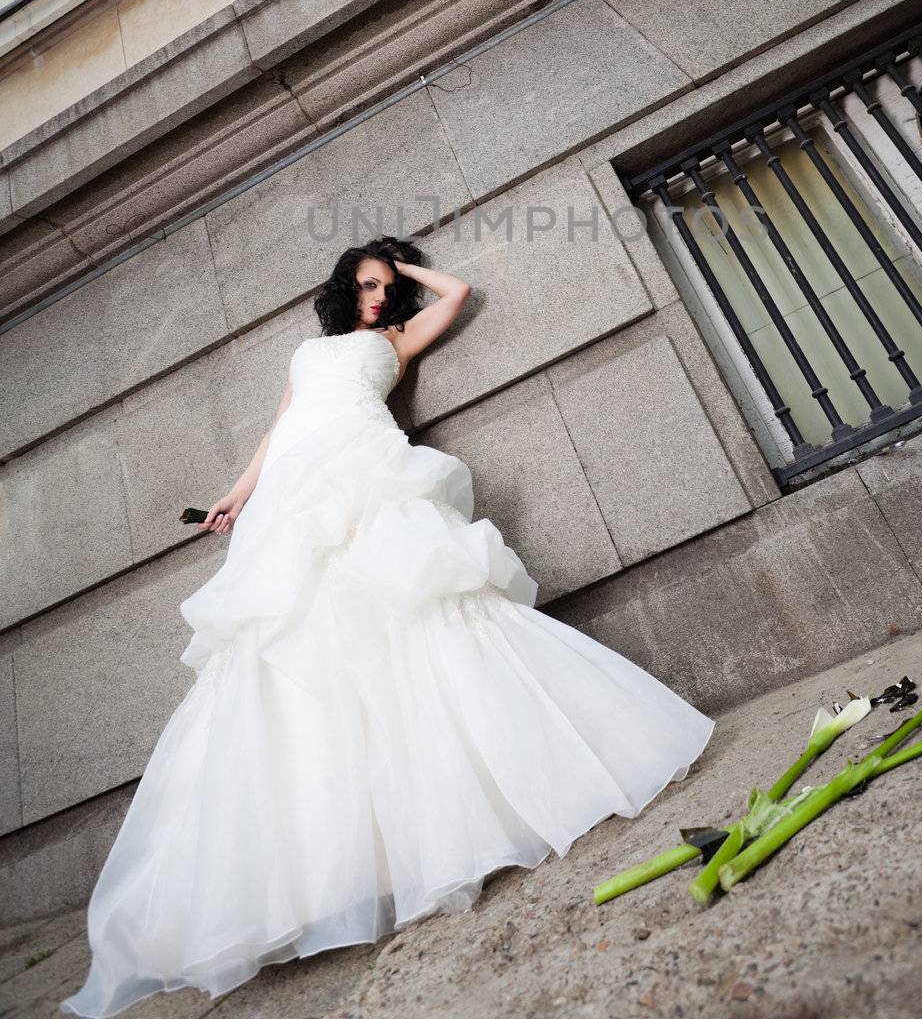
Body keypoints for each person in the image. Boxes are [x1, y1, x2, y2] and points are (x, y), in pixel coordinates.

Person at [60, 237, 716, 1017]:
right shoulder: (309, 351)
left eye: (383, 287)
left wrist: (402, 270)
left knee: (420, 609)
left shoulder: (396, 339)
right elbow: (281, 429)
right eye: (364, 286)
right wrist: (235, 497)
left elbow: (459, 291)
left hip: (365, 467)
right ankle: (340, 863)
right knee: (290, 645)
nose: (375, 297)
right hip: (296, 490)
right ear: (342, 289)